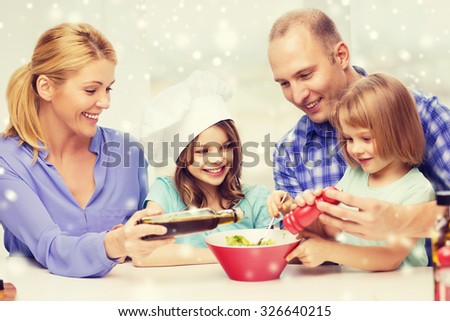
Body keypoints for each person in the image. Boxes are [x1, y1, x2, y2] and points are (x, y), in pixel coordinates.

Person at [0, 23, 173, 278]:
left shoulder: (127, 152)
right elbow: (51, 248)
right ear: (46, 87)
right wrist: (116, 242)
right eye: (91, 90)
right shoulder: (9, 161)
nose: (105, 102)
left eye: (108, 88)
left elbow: (141, 241)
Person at [266, 8, 450, 239]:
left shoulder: (422, 113)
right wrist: (295, 216)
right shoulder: (289, 151)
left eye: (305, 75)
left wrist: (399, 219)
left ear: (341, 55)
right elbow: (297, 248)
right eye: (284, 83)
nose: (298, 95)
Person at [283, 73, 435, 270]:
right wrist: (308, 214)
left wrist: (328, 251)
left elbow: (390, 258)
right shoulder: (354, 175)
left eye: (365, 138)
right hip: (355, 289)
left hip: (397, 292)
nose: (355, 149)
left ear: (398, 132)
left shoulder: (416, 188)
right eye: (349, 139)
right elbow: (331, 229)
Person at [134, 70, 274, 266]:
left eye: (226, 147)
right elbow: (144, 252)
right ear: (182, 155)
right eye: (203, 151)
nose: (217, 159)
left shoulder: (256, 199)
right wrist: (229, 255)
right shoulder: (166, 192)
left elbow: (274, 252)